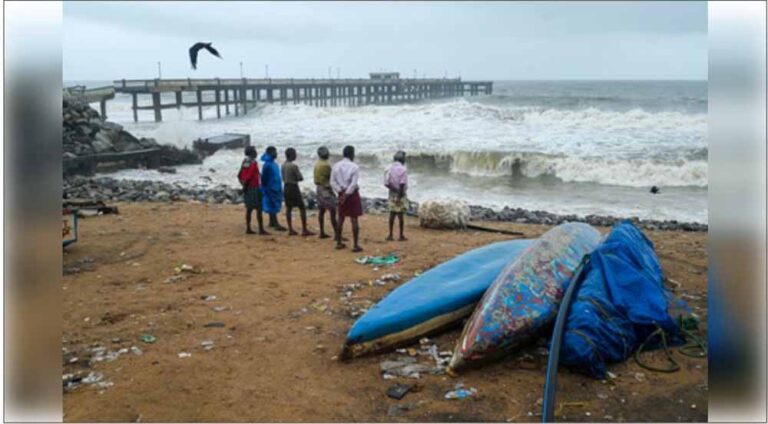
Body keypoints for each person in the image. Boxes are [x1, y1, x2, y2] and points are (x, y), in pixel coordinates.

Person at [331, 145, 363, 252]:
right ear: (352, 154)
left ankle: (339, 242)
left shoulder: (336, 166)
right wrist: (347, 194)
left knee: (341, 217)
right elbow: (353, 184)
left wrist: (341, 192)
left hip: (341, 192)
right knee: (354, 219)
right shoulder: (354, 167)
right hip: (352, 194)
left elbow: (332, 182)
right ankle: (355, 245)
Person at [282, 147, 315, 236]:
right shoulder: (294, 166)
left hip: (286, 187)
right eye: (295, 154)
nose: (296, 155)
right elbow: (300, 178)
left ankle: (290, 229)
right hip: (293, 187)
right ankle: (304, 229)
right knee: (302, 207)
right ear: (291, 155)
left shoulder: (283, 165)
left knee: (289, 208)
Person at [238, 146, 268, 235]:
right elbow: (250, 176)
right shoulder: (253, 163)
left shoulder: (245, 161)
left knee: (249, 209)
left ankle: (248, 228)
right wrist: (245, 185)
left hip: (247, 187)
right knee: (259, 208)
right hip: (254, 187)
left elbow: (239, 175)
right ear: (252, 153)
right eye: (255, 151)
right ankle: (261, 229)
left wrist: (243, 185)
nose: (256, 153)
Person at [313, 146, 338, 240]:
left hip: (319, 188)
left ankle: (322, 232)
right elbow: (331, 179)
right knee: (333, 210)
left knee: (321, 210)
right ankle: (337, 234)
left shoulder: (317, 164)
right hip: (325, 189)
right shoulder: (326, 165)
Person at [260, 146, 287, 231]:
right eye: (274, 152)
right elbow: (264, 178)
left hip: (275, 187)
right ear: (270, 153)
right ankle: (275, 223)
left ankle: (272, 221)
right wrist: (266, 187)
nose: (276, 154)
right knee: (273, 204)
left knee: (273, 204)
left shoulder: (272, 163)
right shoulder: (268, 165)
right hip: (271, 187)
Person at [384, 150, 409, 241]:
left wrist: (394, 189)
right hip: (400, 194)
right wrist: (399, 194)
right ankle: (401, 235)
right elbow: (402, 183)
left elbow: (386, 183)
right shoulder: (403, 169)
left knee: (392, 214)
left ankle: (390, 234)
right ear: (402, 160)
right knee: (400, 215)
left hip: (392, 193)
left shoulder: (389, 169)